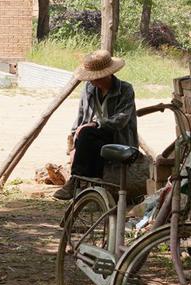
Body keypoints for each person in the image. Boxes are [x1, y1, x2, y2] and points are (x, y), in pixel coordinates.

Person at [53, 49, 138, 200]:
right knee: (85, 135)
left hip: (116, 137)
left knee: (87, 133)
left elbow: (122, 119)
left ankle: (76, 180)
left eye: (94, 78)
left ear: (106, 75)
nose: (91, 81)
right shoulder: (89, 89)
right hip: (91, 137)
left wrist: (96, 123)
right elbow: (80, 117)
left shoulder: (125, 89)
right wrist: (73, 143)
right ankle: (91, 189)